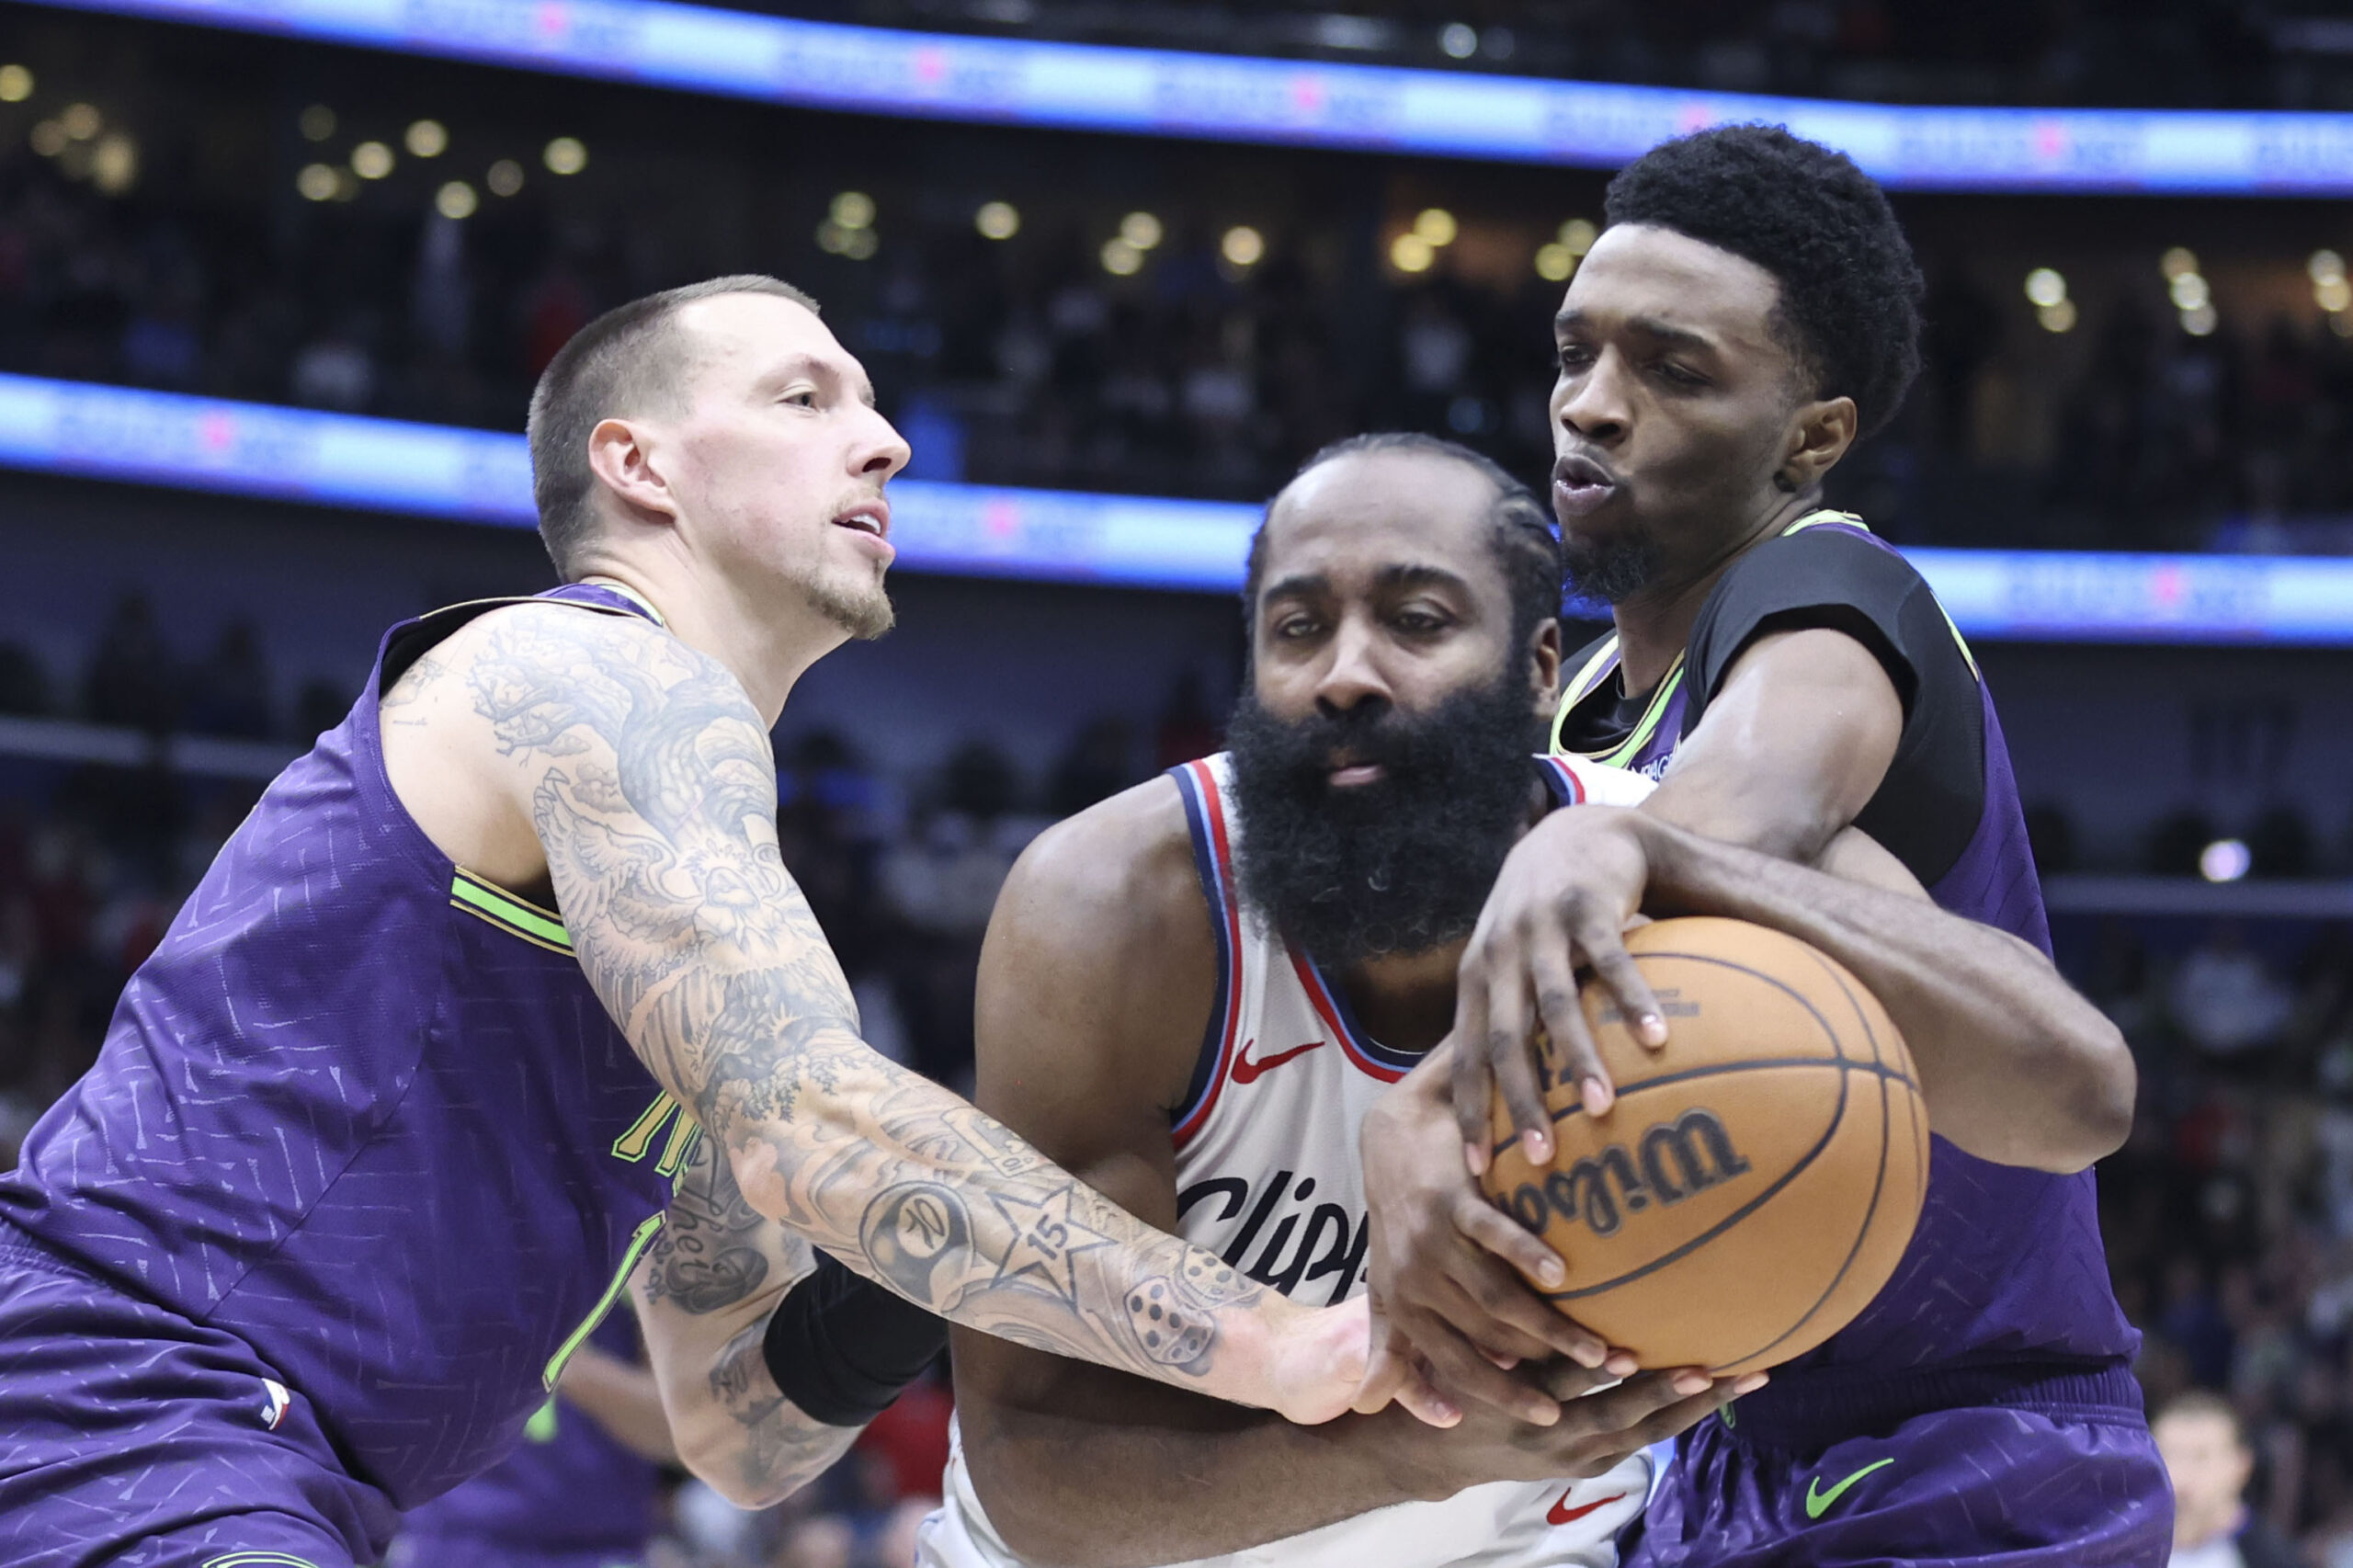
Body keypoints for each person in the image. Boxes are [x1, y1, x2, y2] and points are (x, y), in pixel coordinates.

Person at [0, 276, 1384, 1568]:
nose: (888, 441)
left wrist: (951, 1242)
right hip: (118, 1409)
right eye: (807, 398)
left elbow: (741, 1429)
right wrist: (1276, 1339)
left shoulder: (682, 894)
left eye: (872, 401)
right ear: (638, 464)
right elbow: (815, 1128)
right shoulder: (596, 671)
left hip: (246, 1463)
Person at [929, 433, 2149, 1568]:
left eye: (1416, 619)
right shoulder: (1118, 908)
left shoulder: (1659, 860)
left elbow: (2075, 1091)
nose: (1347, 673)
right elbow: (1034, 1462)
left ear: (1538, 669)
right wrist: (1405, 1453)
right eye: (1297, 627)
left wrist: (1690, 863)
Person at [1361, 126, 2171, 1565]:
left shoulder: (1827, 590)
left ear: (1810, 438)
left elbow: (1744, 801)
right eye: (1575, 353)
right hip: (1711, 1446)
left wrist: (1424, 1108)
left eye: (1672, 371)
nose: (1591, 408)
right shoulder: (1583, 707)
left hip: (1962, 1460)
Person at [390, 1315, 671, 1568]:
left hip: (593, 1543)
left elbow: (674, 1431)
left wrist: (565, 1358)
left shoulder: (643, 1267)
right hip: (449, 1539)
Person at [2154, 1392, 2302, 1568]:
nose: (2182, 1473)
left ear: (2241, 1465)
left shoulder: (2273, 1559)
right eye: (2170, 1455)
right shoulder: (2125, 1551)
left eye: (2200, 1457)